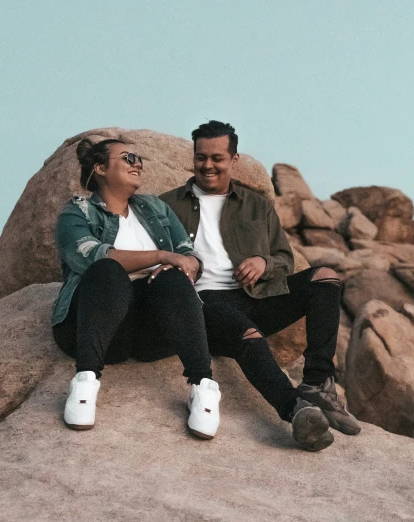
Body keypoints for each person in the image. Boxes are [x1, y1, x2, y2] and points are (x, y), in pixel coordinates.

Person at [160, 121, 360, 452]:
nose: (208, 165)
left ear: (234, 159)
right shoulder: (166, 206)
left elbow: (283, 257)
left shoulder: (256, 206)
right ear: (193, 158)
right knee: (247, 332)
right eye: (201, 157)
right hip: (204, 305)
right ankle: (296, 411)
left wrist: (263, 263)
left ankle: (316, 384)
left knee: (325, 278)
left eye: (218, 158)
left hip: (255, 296)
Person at [51, 138, 220, 439]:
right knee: (106, 269)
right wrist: (161, 256)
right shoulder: (77, 213)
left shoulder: (156, 209)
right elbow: (87, 254)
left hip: (152, 331)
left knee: (172, 277)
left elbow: (189, 254)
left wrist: (180, 265)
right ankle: (85, 382)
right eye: (128, 157)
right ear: (100, 168)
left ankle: (203, 389)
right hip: (99, 325)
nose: (137, 163)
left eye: (139, 158)